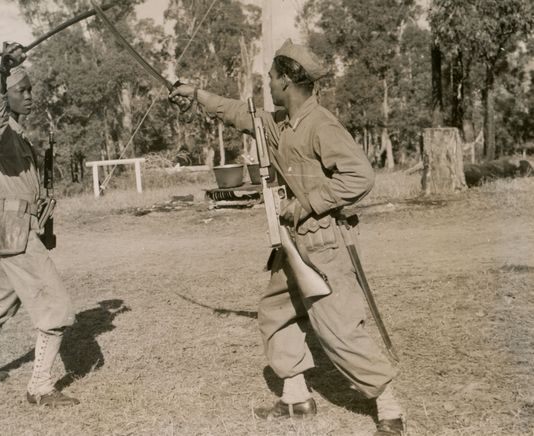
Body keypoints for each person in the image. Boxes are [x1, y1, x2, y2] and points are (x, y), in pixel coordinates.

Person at [169, 39, 405, 436]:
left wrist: (308, 202)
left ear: (288, 81)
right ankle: (296, 398)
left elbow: (360, 177)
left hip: (325, 243)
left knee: (339, 330)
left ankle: (390, 408)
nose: (269, 86)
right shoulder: (281, 124)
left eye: (273, 78)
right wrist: (196, 95)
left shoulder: (321, 125)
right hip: (295, 244)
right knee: (275, 312)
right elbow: (239, 114)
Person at [0, 42, 78, 407]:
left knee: (0, 301)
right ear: (3, 95)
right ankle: (41, 386)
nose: (29, 96)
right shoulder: (1, 136)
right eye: (20, 91)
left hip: (8, 233)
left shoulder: (16, 136)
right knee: (56, 306)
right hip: (16, 234)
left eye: (30, 90)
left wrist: (4, 208)